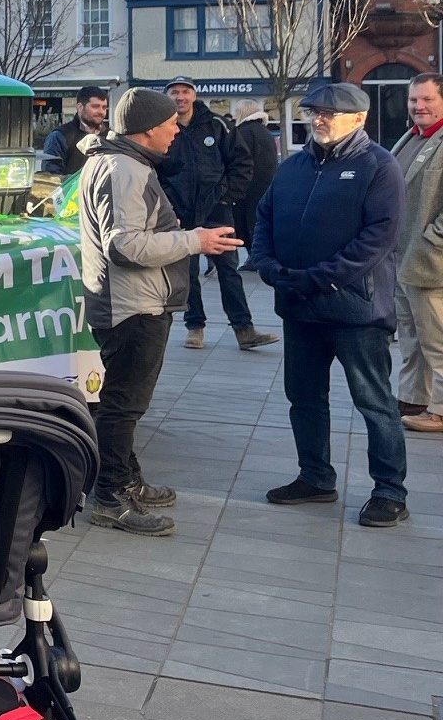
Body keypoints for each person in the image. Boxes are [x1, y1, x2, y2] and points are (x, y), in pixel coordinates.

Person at [77, 88, 242, 536]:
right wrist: (195, 241)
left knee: (123, 401)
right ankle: (111, 496)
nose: (176, 129)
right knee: (123, 405)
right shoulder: (125, 168)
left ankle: (126, 481)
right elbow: (125, 245)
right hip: (134, 304)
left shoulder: (116, 161)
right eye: (171, 123)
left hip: (131, 300)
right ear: (148, 128)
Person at [248, 82, 410, 528]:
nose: (319, 119)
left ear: (359, 119)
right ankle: (316, 478)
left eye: (330, 113)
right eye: (315, 111)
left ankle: (389, 491)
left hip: (356, 312)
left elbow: (377, 239)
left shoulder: (379, 166)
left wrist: (316, 278)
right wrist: (266, 264)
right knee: (304, 398)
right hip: (300, 308)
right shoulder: (293, 166)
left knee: (374, 403)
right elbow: (264, 216)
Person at [161, 75, 279, 350]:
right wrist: (167, 203)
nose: (180, 97)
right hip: (181, 213)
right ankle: (195, 327)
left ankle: (244, 329)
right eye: (175, 92)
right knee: (188, 273)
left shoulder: (218, 125)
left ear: (194, 95)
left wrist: (227, 197)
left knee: (229, 271)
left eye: (185, 92)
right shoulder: (163, 128)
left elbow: (242, 163)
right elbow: (156, 168)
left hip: (217, 210)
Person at [394, 73, 443, 433]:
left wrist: (433, 241)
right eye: (414, 100)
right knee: (411, 335)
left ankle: (440, 409)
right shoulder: (412, 136)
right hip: (401, 256)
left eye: (427, 99)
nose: (419, 106)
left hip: (431, 260)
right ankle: (414, 398)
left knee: (437, 338)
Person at [230, 101, 280, 251]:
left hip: (247, 186)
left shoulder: (243, 133)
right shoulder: (265, 131)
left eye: (236, 111)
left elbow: (238, 161)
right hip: (265, 183)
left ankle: (254, 254)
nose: (233, 115)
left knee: (246, 222)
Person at [40, 86, 109, 176]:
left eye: (104, 107)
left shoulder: (110, 137)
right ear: (80, 107)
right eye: (95, 106)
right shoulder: (59, 136)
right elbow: (51, 178)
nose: (101, 112)